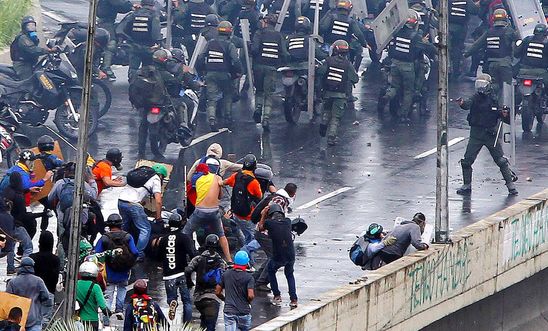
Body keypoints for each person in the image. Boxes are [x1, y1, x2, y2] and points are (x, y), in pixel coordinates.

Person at [456, 73, 518, 196]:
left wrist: (505, 113)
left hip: (490, 135)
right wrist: (462, 103)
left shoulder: (495, 99)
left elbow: (506, 117)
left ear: (489, 86)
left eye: (483, 85)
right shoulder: (474, 97)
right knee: (467, 161)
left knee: (501, 161)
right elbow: (467, 104)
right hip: (476, 134)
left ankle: (511, 186)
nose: (481, 88)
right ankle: (466, 185)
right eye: (478, 84)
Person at [379, 11, 436, 123]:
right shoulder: (416, 36)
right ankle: (403, 115)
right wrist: (426, 42)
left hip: (394, 64)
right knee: (409, 92)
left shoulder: (396, 32)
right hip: (408, 66)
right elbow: (430, 49)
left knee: (394, 86)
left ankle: (387, 96)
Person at [183, 158, 233, 262]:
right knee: (221, 235)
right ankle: (229, 260)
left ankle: (185, 256)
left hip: (200, 211)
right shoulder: (217, 178)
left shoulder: (198, 179)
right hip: (214, 212)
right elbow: (220, 196)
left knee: (185, 233)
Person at [48, 162, 98, 262]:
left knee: (62, 240)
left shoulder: (60, 183)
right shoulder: (83, 184)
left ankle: (62, 263)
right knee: (82, 238)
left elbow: (50, 198)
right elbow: (93, 195)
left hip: (63, 218)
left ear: (66, 172)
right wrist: (92, 181)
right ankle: (82, 260)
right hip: (81, 217)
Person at [198, 20, 243, 130]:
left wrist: (203, 69)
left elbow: (200, 57)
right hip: (224, 74)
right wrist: (239, 71)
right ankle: (227, 118)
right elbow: (235, 60)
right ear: (229, 32)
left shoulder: (210, 43)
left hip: (210, 74)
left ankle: (212, 119)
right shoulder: (229, 45)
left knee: (212, 98)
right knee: (228, 95)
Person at [95, 214, 139, 325]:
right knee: (122, 288)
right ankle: (119, 310)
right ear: (121, 224)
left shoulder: (104, 238)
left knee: (109, 293)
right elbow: (135, 252)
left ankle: (106, 316)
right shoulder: (128, 237)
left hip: (109, 272)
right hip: (124, 271)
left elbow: (97, 253)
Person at [464, 8, 518, 97]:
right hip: (505, 64)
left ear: (493, 19)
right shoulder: (509, 31)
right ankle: (506, 107)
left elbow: (476, 45)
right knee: (507, 87)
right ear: (506, 18)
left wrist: (466, 54)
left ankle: (493, 104)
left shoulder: (489, 32)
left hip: (491, 64)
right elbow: (518, 44)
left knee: (493, 85)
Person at [118, 164, 166, 259]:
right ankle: (138, 254)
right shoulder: (155, 178)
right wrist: (158, 216)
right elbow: (158, 201)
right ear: (161, 175)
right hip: (133, 204)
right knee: (145, 228)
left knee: (125, 227)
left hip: (121, 201)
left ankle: (121, 248)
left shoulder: (141, 175)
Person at [316, 39, 359, 146]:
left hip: (327, 93)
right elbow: (355, 79)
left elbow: (320, 72)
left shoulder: (328, 60)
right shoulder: (347, 64)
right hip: (340, 95)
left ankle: (323, 124)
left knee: (327, 110)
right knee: (336, 117)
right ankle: (331, 137)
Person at [251, 14, 289, 130]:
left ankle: (258, 109)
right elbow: (284, 53)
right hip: (271, 68)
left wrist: (249, 46)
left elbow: (254, 50)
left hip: (258, 67)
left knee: (259, 90)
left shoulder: (259, 33)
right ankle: (266, 118)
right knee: (269, 94)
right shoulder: (278, 36)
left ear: (266, 22)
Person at [156, 213, 196, 323]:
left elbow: (158, 257)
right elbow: (192, 253)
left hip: (168, 275)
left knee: (171, 297)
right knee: (187, 301)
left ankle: (172, 302)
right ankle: (186, 325)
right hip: (182, 273)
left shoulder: (163, 240)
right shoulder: (184, 237)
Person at [258, 204, 297, 307]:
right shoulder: (288, 221)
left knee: (271, 271)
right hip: (290, 254)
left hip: (278, 254)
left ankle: (277, 295)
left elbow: (260, 228)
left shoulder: (269, 223)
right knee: (289, 274)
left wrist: (263, 215)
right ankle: (293, 299)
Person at [185, 234, 227, 330]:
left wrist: (189, 282)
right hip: (214, 298)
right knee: (211, 326)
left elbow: (188, 270)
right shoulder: (221, 261)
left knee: (204, 321)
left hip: (198, 298)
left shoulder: (198, 259)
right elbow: (224, 276)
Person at [514, 23, 548, 133]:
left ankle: (513, 107)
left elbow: (516, 54)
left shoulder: (527, 40)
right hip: (540, 73)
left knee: (515, 89)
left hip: (523, 72)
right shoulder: (547, 43)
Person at [223, 154, 262, 245]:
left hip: (236, 213)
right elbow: (259, 196)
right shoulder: (254, 182)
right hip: (248, 216)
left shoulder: (236, 176)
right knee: (253, 239)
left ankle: (242, 245)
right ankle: (246, 253)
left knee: (241, 233)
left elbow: (223, 182)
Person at [3, 172, 36, 275]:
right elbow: (24, 215)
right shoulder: (19, 197)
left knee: (11, 246)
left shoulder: (7, 191)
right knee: (28, 246)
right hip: (17, 224)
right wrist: (42, 214)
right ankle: (24, 267)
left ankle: (10, 268)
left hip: (7, 224)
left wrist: (28, 190)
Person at [6, 257, 52, 331]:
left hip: (17, 321)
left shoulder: (13, 282)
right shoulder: (38, 281)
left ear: (21, 267)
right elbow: (46, 297)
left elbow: (7, 300)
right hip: (34, 319)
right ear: (32, 267)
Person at [123, 0, 163, 81]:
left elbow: (126, 28)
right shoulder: (153, 15)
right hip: (149, 47)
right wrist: (158, 42)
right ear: (152, 4)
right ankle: (145, 85)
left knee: (133, 68)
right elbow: (155, 33)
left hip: (134, 46)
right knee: (148, 68)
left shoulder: (134, 14)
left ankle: (133, 84)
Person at [96, 0, 136, 80]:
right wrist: (131, 6)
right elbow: (119, 3)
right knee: (111, 43)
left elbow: (120, 8)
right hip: (105, 22)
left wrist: (130, 8)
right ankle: (106, 67)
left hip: (109, 22)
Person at [215, 251, 255, 331]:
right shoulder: (249, 277)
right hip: (244, 312)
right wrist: (248, 302)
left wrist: (224, 299)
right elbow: (250, 295)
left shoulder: (226, 274)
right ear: (247, 263)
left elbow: (217, 291)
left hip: (229, 312)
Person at [29, 231, 60, 322]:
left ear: (40, 242)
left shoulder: (32, 258)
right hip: (49, 292)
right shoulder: (55, 260)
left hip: (33, 293)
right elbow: (55, 278)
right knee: (45, 322)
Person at [448, 0, 478, 78]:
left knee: (445, 47)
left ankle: (447, 68)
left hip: (446, 27)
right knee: (457, 48)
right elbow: (474, 10)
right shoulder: (466, 1)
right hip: (460, 28)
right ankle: (456, 71)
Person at [77, 262, 110, 331]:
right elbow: (102, 306)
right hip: (91, 320)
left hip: (77, 320)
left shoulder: (75, 284)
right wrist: (108, 313)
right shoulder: (95, 287)